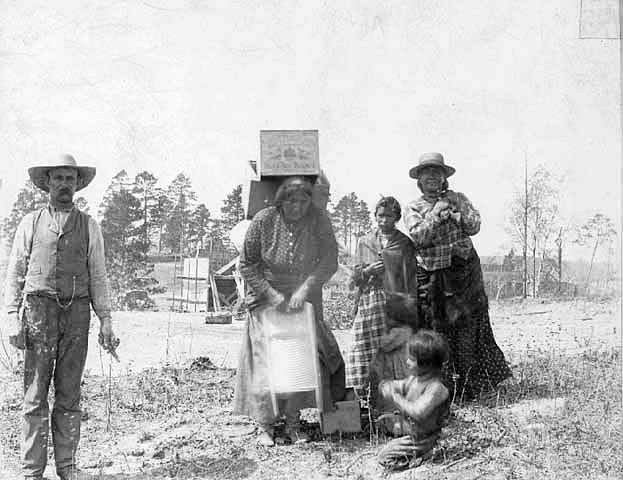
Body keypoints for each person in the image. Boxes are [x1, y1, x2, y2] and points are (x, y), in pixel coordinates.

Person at [3, 154, 118, 480]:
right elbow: (15, 272)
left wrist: (106, 319)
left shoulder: (90, 227)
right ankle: (31, 473)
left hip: (77, 316)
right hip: (39, 312)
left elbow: (98, 275)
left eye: (70, 179)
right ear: (47, 183)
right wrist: (12, 315)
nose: (65, 184)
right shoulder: (30, 223)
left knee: (69, 395)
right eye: (59, 178)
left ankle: (67, 469)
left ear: (77, 184)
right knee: (35, 394)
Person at [232, 176, 345, 446]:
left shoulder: (318, 219)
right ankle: (265, 426)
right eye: (291, 200)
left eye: (303, 200)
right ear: (281, 201)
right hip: (266, 298)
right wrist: (272, 295)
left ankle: (293, 423)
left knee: (298, 360)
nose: (297, 206)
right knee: (265, 361)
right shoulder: (264, 219)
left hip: (303, 299)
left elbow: (329, 259)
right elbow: (247, 265)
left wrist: (306, 288)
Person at [404, 152, 511, 400]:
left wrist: (454, 215)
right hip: (433, 278)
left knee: (470, 328)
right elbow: (419, 237)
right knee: (436, 330)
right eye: (426, 173)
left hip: (463, 272)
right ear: (419, 180)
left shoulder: (458, 198)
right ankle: (440, 390)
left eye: (436, 172)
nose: (432, 177)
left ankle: (474, 386)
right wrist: (435, 214)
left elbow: (474, 226)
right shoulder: (414, 207)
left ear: (444, 177)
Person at [345, 196, 419, 399]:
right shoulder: (365, 242)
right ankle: (363, 396)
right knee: (365, 349)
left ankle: (393, 397)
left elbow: (410, 279)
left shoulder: (404, 244)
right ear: (375, 216)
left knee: (394, 349)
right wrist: (367, 271)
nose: (383, 220)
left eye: (389, 216)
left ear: (396, 218)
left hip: (395, 307)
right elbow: (354, 277)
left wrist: (408, 308)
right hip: (369, 306)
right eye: (380, 216)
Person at [376, 329, 450, 470]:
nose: (407, 362)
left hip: (424, 438)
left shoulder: (436, 388)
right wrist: (386, 386)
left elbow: (418, 412)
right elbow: (397, 385)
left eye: (411, 359)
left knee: (384, 457)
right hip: (412, 435)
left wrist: (396, 397)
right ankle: (417, 453)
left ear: (426, 364)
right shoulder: (414, 380)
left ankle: (424, 455)